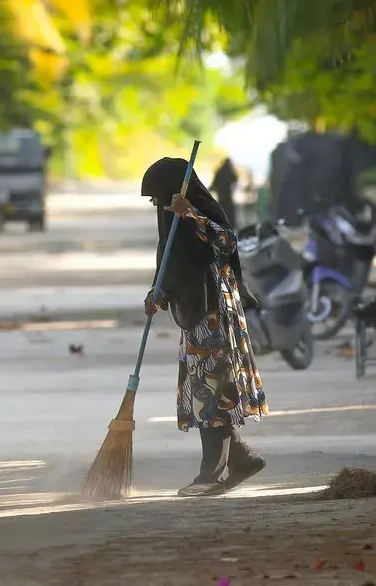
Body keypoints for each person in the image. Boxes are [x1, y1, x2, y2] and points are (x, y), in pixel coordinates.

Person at [141, 157, 268, 497]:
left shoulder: (202, 214)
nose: (155, 205)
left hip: (215, 313)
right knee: (206, 392)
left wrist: (192, 215)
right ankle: (242, 460)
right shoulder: (171, 226)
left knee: (213, 393)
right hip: (194, 317)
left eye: (157, 197)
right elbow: (171, 265)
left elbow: (226, 243)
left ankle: (210, 475)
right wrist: (157, 293)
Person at [211, 157, 239, 226]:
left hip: (221, 196)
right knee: (229, 212)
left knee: (222, 211)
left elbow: (214, 183)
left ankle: (223, 224)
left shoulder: (219, 171)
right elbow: (235, 178)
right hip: (227, 196)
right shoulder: (229, 171)